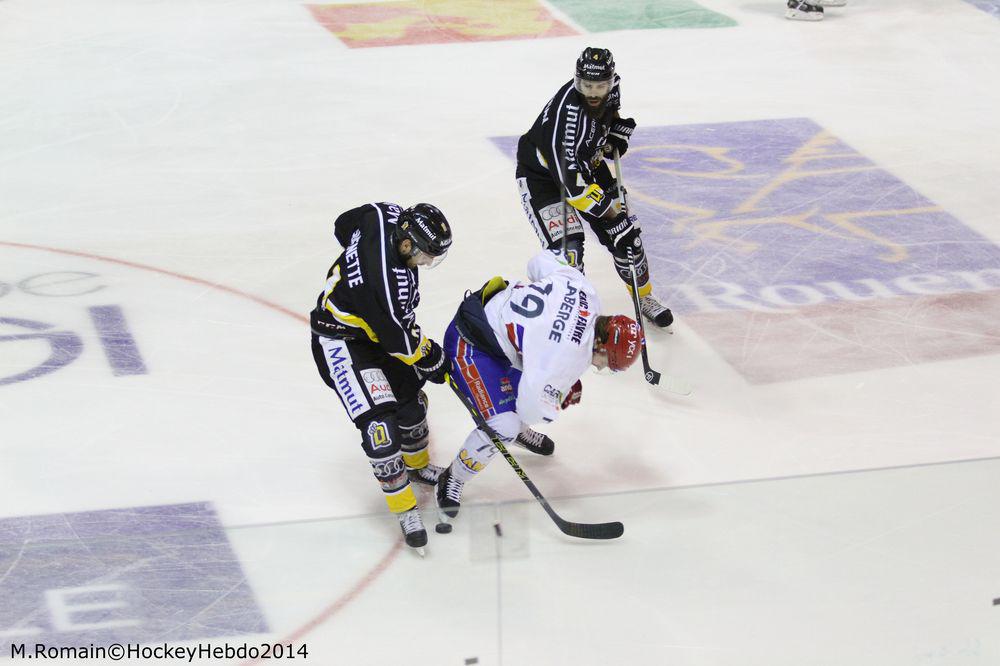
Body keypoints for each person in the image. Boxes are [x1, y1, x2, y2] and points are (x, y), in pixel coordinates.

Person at [435, 250, 642, 521]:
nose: (602, 367)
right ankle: (454, 477)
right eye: (607, 362)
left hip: (491, 314)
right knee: (504, 426)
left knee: (535, 375)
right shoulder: (568, 357)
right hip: (470, 345)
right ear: (602, 345)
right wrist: (555, 398)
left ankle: (518, 430)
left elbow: (537, 262)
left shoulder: (586, 291)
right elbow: (530, 408)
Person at [309, 201, 452, 555]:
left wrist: (355, 269)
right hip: (341, 341)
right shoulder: (389, 285)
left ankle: (417, 467)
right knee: (379, 429)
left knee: (411, 405)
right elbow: (401, 343)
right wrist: (433, 358)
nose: (427, 263)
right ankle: (405, 509)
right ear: (406, 243)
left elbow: (343, 224)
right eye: (425, 255)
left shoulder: (382, 213)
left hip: (376, 334)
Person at [515, 46, 674, 329]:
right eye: (587, 85)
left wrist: (613, 132)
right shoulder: (565, 123)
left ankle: (644, 297)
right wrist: (612, 216)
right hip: (543, 179)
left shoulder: (611, 90)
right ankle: (576, 313)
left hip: (587, 164)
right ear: (578, 80)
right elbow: (573, 189)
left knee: (628, 240)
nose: (593, 93)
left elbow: (610, 114)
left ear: (610, 82)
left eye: (600, 86)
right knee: (568, 252)